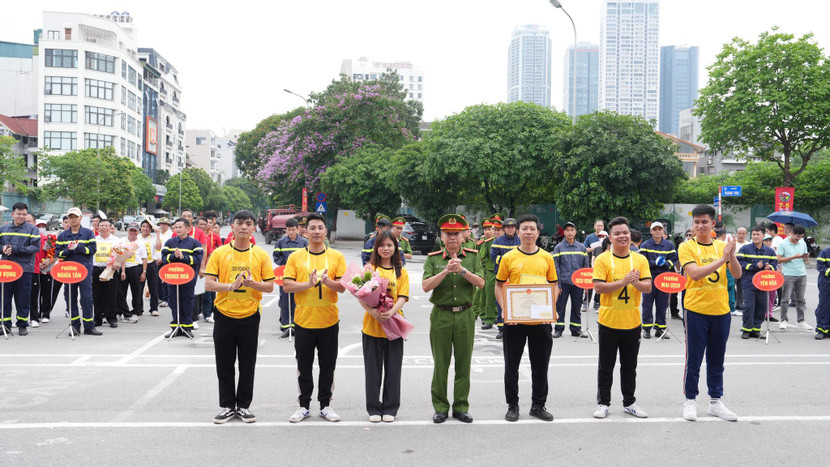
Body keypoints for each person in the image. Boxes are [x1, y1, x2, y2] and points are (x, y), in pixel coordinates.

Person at [205, 210, 275, 424]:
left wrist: (255, 284)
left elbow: (270, 286)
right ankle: (227, 406)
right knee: (224, 363)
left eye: (248, 223)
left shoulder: (260, 254)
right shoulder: (220, 253)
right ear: (232, 227)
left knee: (247, 363)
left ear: (254, 228)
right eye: (240, 223)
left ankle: (243, 406)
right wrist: (229, 286)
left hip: (250, 314)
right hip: (224, 313)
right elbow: (208, 283)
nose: (244, 227)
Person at [678, 204, 741, 422]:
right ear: (692, 225)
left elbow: (737, 273)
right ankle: (690, 400)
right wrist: (722, 259)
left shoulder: (722, 246)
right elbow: (694, 274)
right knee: (694, 358)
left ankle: (716, 401)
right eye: (696, 222)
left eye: (704, 221)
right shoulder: (687, 247)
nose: (700, 225)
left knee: (717, 358)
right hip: (696, 310)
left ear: (713, 224)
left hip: (721, 310)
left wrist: (730, 256)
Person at [283, 213, 347, 423]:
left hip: (329, 320)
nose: (317, 231)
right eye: (312, 228)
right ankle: (303, 406)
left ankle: (326, 405)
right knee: (304, 366)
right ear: (305, 231)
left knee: (328, 365)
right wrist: (308, 285)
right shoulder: (295, 257)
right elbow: (287, 285)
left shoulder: (336, 257)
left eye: (320, 227)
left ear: (326, 231)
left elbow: (345, 287)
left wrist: (329, 282)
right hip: (304, 320)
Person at [423, 214, 484, 424]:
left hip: (466, 314)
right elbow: (425, 286)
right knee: (441, 364)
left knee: (463, 364)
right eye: (448, 234)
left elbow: (481, 283)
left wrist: (463, 270)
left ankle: (460, 407)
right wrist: (446, 271)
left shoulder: (473, 256)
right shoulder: (433, 258)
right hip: (441, 315)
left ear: (463, 235)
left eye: (456, 234)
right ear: (441, 236)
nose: (452, 238)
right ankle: (440, 407)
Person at [495, 214, 557, 422]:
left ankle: (538, 405)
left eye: (532, 228)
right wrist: (505, 309)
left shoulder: (547, 257)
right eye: (525, 228)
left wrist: (553, 309)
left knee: (541, 365)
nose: (529, 232)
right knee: (511, 365)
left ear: (538, 233)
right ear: (518, 232)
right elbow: (499, 285)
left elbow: (554, 285)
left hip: (540, 321)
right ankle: (512, 405)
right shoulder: (509, 258)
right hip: (515, 320)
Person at [591, 217, 652, 419]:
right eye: (617, 233)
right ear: (610, 237)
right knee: (605, 365)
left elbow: (648, 287)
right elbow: (598, 287)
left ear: (630, 235)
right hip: (608, 321)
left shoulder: (640, 259)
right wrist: (624, 281)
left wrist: (634, 283)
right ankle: (603, 403)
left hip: (632, 321)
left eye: (625, 232)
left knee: (629, 366)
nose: (622, 236)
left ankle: (630, 402)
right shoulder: (602, 259)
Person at [359, 230, 409, 423]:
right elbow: (361, 294)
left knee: (393, 369)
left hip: (395, 325)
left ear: (395, 247)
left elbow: (403, 296)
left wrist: (392, 311)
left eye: (389, 245)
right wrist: (372, 312)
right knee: (372, 370)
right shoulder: (370, 268)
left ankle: (390, 408)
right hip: (372, 326)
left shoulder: (400, 270)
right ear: (376, 248)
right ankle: (373, 408)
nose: (386, 249)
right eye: (382, 245)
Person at [56, 207, 100, 335]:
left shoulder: (88, 233)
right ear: (67, 219)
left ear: (81, 218)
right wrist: (68, 250)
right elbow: (59, 254)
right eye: (70, 217)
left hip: (84, 270)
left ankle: (89, 326)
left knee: (86, 298)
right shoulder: (63, 235)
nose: (73, 219)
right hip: (68, 271)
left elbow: (92, 250)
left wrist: (79, 247)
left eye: (75, 217)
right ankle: (75, 326)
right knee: (70, 298)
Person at [0, 202, 41, 335]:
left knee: (23, 297)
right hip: (7, 269)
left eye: (24, 214)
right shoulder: (3, 229)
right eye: (18, 214)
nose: (21, 216)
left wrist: (15, 249)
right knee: (5, 297)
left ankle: (22, 324)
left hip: (25, 268)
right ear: (13, 214)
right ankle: (5, 324)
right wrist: (3, 248)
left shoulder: (32, 229)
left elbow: (35, 247)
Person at [161, 218, 204, 338]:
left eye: (180, 227)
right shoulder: (170, 242)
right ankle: (176, 326)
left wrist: (183, 257)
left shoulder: (195, 243)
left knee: (187, 300)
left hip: (188, 277)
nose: (178, 229)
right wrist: (173, 256)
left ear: (188, 229)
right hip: (173, 276)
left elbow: (197, 259)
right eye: (176, 227)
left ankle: (187, 326)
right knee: (173, 300)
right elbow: (164, 259)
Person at [736, 226, 777, 339]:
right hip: (749, 282)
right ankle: (746, 329)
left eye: (758, 234)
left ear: (763, 236)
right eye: (753, 234)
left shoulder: (770, 251)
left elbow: (775, 264)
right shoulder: (745, 249)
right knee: (749, 306)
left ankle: (756, 329)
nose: (755, 236)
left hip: (763, 283)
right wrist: (754, 266)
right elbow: (740, 263)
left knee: (761, 307)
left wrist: (770, 267)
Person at [639, 222, 678, 339]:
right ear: (651, 231)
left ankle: (660, 328)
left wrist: (665, 263)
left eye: (659, 229)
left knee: (662, 304)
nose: (657, 231)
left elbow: (674, 260)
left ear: (663, 231)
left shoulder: (669, 245)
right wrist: (654, 263)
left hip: (663, 278)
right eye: (654, 229)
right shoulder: (645, 244)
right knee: (647, 304)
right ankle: (646, 328)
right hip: (649, 277)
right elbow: (642, 261)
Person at [552, 221, 589, 338]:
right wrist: (558, 285)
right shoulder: (558, 248)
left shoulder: (581, 248)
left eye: (572, 230)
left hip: (578, 283)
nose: (569, 232)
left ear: (575, 232)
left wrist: (586, 284)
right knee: (560, 307)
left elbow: (586, 267)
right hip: (564, 282)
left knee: (577, 306)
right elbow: (555, 267)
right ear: (564, 232)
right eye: (567, 230)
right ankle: (559, 328)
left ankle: (576, 329)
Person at [272, 217, 307, 338]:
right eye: (288, 230)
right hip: (285, 275)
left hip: (300, 276)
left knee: (298, 300)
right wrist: (287, 261)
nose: (291, 232)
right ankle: (286, 326)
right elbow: (276, 257)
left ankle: (297, 325)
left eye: (293, 230)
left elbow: (308, 257)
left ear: (298, 229)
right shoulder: (281, 242)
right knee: (285, 301)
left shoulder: (304, 243)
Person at [491, 217, 520, 339]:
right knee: (501, 302)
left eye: (512, 227)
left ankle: (517, 325)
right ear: (504, 229)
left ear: (515, 229)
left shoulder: (520, 240)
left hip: (517, 276)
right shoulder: (498, 241)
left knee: (516, 301)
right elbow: (493, 256)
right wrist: (505, 263)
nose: (510, 229)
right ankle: (502, 328)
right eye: (508, 227)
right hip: (502, 275)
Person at [777, 225, 811, 330]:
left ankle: (801, 321)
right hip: (788, 273)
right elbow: (779, 259)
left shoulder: (803, 243)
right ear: (792, 233)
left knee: (800, 299)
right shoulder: (783, 243)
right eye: (797, 236)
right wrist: (793, 257)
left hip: (801, 273)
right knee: (785, 298)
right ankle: (783, 320)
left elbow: (805, 261)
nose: (799, 239)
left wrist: (806, 258)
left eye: (801, 237)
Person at [92, 219, 121, 328]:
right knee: (97, 295)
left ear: (110, 227)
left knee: (111, 295)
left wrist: (117, 263)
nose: (104, 227)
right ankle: (98, 318)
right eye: (101, 226)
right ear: (98, 228)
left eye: (106, 225)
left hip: (111, 270)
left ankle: (111, 318)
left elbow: (121, 255)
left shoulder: (116, 240)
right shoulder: (94, 240)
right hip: (96, 269)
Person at [117, 222, 148, 323]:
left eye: (135, 230)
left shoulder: (140, 243)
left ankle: (136, 311)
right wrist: (122, 271)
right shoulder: (121, 241)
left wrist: (144, 272)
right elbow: (118, 256)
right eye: (131, 230)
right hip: (123, 269)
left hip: (136, 269)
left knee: (137, 292)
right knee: (121, 292)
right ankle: (121, 311)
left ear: (138, 231)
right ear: (127, 231)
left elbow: (144, 259)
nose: (133, 232)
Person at [201, 212, 223, 324]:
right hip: (201, 265)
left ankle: (210, 312)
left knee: (211, 290)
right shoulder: (200, 235)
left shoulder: (215, 237)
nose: (208, 225)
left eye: (210, 223)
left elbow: (219, 251)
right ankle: (202, 311)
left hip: (212, 265)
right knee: (201, 291)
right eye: (206, 223)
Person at [475, 219, 497, 330]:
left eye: (490, 229)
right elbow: (481, 257)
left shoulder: (500, 241)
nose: (488, 232)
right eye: (485, 229)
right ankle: (487, 318)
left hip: (502, 271)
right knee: (487, 296)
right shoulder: (486, 243)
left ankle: (498, 317)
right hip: (490, 271)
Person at [27, 216, 47, 328]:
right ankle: (22, 318)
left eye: (30, 221)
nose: (28, 223)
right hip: (20, 269)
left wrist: (43, 263)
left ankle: (34, 318)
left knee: (34, 295)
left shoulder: (39, 237)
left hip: (34, 269)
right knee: (20, 296)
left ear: (34, 223)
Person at [139, 219, 162, 317]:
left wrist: (157, 235)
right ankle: (139, 308)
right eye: (143, 226)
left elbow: (158, 247)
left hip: (152, 264)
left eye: (147, 227)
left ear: (150, 229)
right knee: (139, 288)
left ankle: (154, 308)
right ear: (140, 228)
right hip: (139, 265)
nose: (145, 229)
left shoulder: (153, 237)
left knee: (154, 287)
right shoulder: (137, 238)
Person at [156, 218, 174, 308]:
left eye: (165, 224)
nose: (163, 225)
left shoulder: (171, 235)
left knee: (166, 280)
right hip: (156, 259)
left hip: (166, 259)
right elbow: (157, 247)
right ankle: (160, 297)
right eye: (161, 224)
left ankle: (166, 298)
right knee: (158, 280)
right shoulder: (157, 234)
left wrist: (163, 259)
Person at [815, 246, 830, 340]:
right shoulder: (825, 252)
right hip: (826, 283)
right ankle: (821, 329)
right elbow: (820, 266)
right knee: (824, 306)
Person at [734, 227, 749, 313]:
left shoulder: (748, 244)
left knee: (741, 287)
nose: (741, 235)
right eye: (739, 233)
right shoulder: (733, 243)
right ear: (736, 233)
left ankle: (740, 304)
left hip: (744, 269)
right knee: (732, 287)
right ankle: (733, 304)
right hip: (733, 269)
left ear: (746, 234)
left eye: (743, 233)